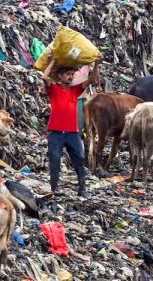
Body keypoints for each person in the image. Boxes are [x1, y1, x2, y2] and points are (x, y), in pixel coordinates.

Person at [42, 52, 101, 197]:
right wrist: (52, 61)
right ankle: (54, 190)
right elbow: (44, 77)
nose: (71, 76)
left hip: (72, 133)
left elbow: (92, 79)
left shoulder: (76, 90)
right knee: (54, 160)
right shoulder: (54, 89)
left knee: (80, 159)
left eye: (72, 74)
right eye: (68, 74)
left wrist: (97, 63)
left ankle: (82, 189)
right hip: (55, 132)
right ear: (60, 76)